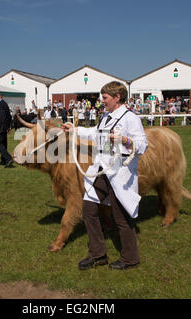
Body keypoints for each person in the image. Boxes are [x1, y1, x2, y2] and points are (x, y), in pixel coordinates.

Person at [62, 81, 147, 270]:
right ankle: (98, 254)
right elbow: (95, 133)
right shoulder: (106, 116)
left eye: (105, 98)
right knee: (89, 211)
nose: (102, 101)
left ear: (117, 97)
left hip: (119, 174)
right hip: (101, 171)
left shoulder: (130, 118)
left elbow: (142, 145)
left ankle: (130, 258)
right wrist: (74, 130)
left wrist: (125, 140)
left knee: (121, 217)